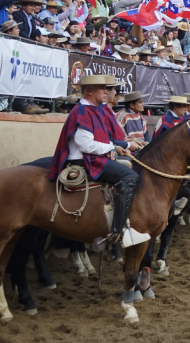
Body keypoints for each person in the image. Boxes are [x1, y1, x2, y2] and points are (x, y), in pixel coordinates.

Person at [48, 74, 149, 249]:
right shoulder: (82, 111)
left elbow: (103, 140)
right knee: (130, 177)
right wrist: (113, 148)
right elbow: (85, 145)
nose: (106, 91)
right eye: (102, 88)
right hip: (84, 161)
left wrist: (117, 147)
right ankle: (119, 232)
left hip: (94, 157)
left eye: (106, 88)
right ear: (88, 91)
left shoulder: (94, 109)